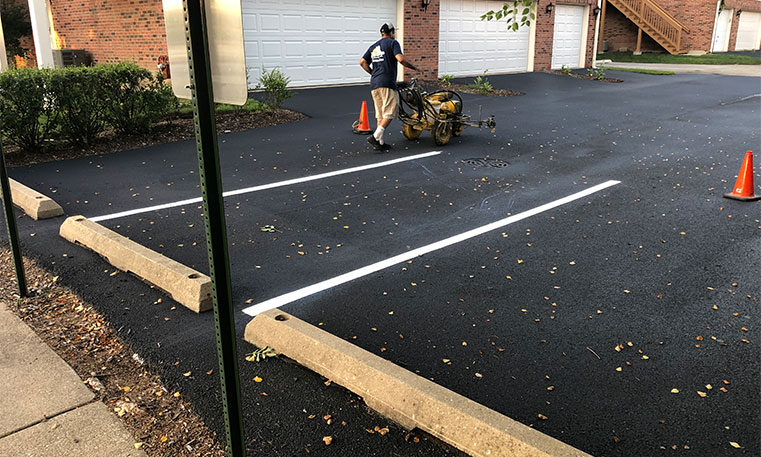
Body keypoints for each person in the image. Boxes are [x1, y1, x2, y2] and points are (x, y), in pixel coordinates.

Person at [360, 23, 419, 152]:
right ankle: (375, 137)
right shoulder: (393, 43)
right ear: (391, 32)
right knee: (391, 111)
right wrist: (414, 67)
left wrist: (373, 73)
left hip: (374, 84)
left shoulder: (373, 47)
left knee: (380, 114)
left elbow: (362, 62)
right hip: (387, 83)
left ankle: (380, 143)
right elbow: (400, 59)